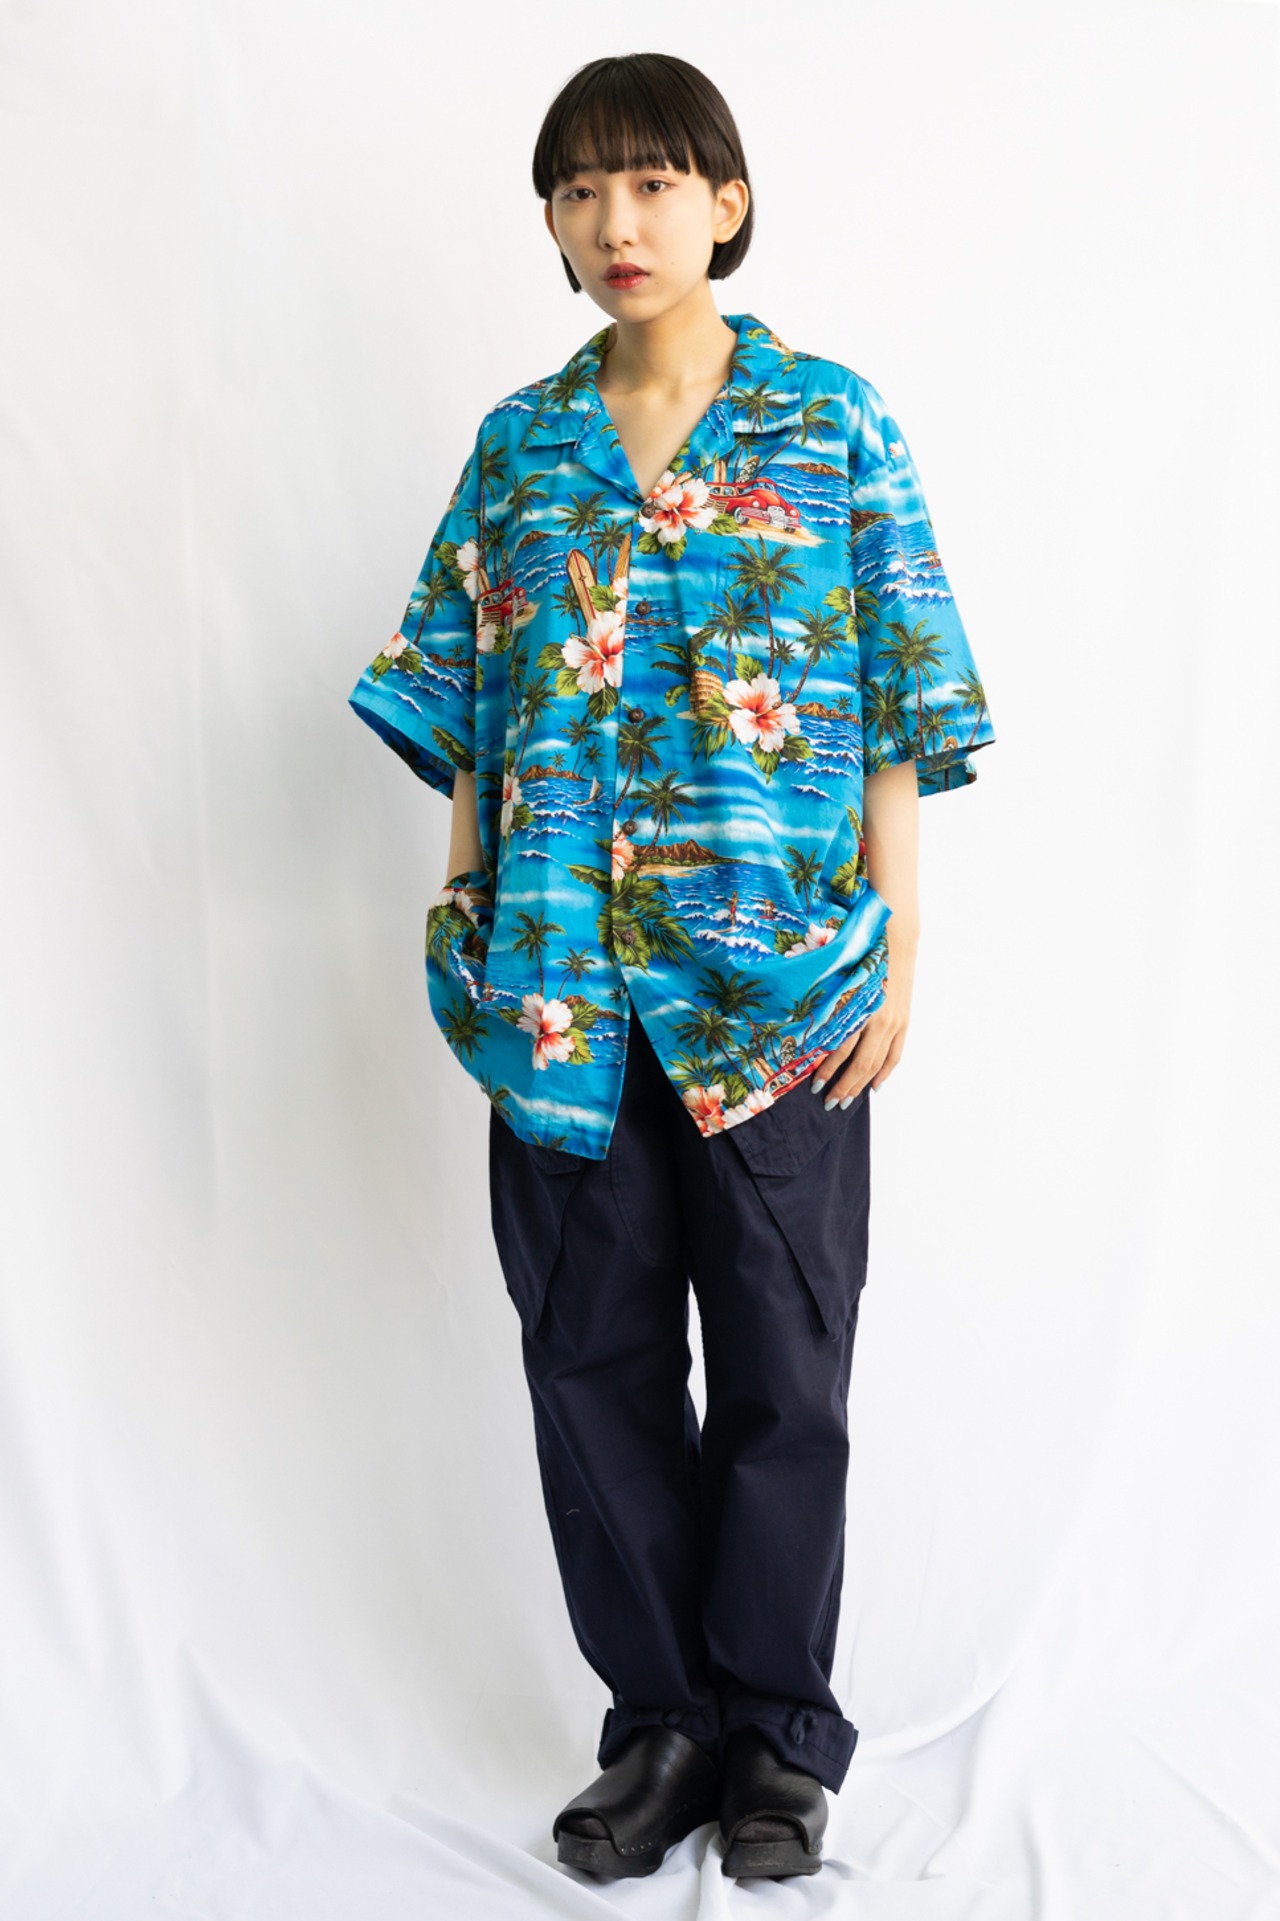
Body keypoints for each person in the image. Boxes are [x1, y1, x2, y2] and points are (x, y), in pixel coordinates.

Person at [349, 51, 996, 1882]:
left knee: (788, 1368)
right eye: (578, 191)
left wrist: (897, 948)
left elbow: (903, 707)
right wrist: (464, 932)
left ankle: (779, 1734)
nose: (615, 221)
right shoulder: (520, 451)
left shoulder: (832, 425)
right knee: (593, 1362)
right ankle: (663, 1726)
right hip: (557, 990)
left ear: (724, 199)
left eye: (649, 181)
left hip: (776, 993)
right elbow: (467, 710)